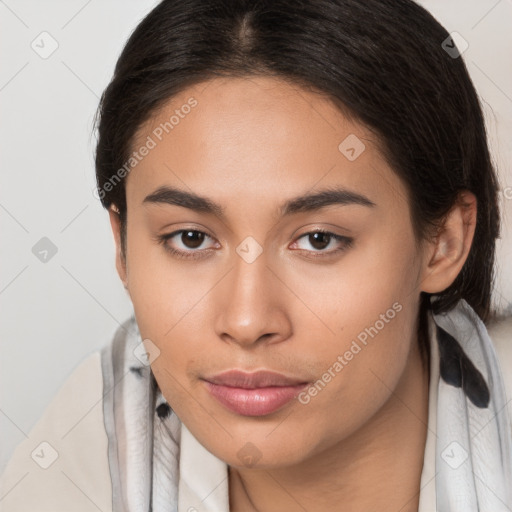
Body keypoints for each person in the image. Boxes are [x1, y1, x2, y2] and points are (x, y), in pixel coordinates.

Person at [1, 0, 512, 510]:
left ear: (444, 242)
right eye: (191, 238)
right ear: (123, 244)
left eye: (319, 240)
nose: (247, 322)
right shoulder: (73, 468)